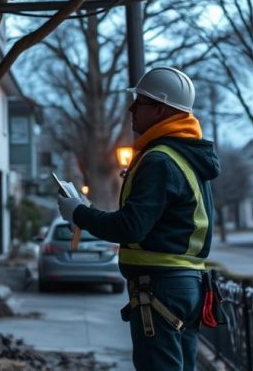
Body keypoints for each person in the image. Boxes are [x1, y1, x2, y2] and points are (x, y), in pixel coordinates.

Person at [57, 67, 218, 371]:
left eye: (140, 102)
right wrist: (90, 210)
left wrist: (78, 213)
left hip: (161, 288)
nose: (131, 109)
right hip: (187, 286)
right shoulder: (188, 157)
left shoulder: (159, 160)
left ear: (160, 109)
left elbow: (131, 226)